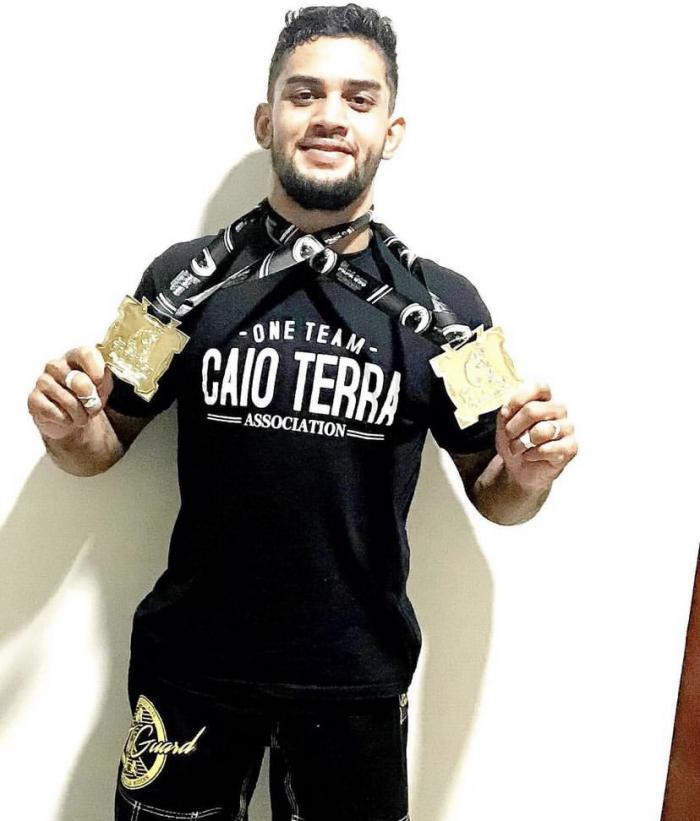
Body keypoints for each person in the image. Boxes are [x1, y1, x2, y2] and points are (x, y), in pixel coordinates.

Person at [26, 5, 578, 820]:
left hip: (356, 681)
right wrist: (68, 432)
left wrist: (529, 474)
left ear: (391, 130)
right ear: (266, 120)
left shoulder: (448, 310)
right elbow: (100, 443)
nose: (329, 115)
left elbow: (499, 494)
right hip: (191, 667)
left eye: (359, 98)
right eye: (304, 93)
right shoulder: (181, 279)